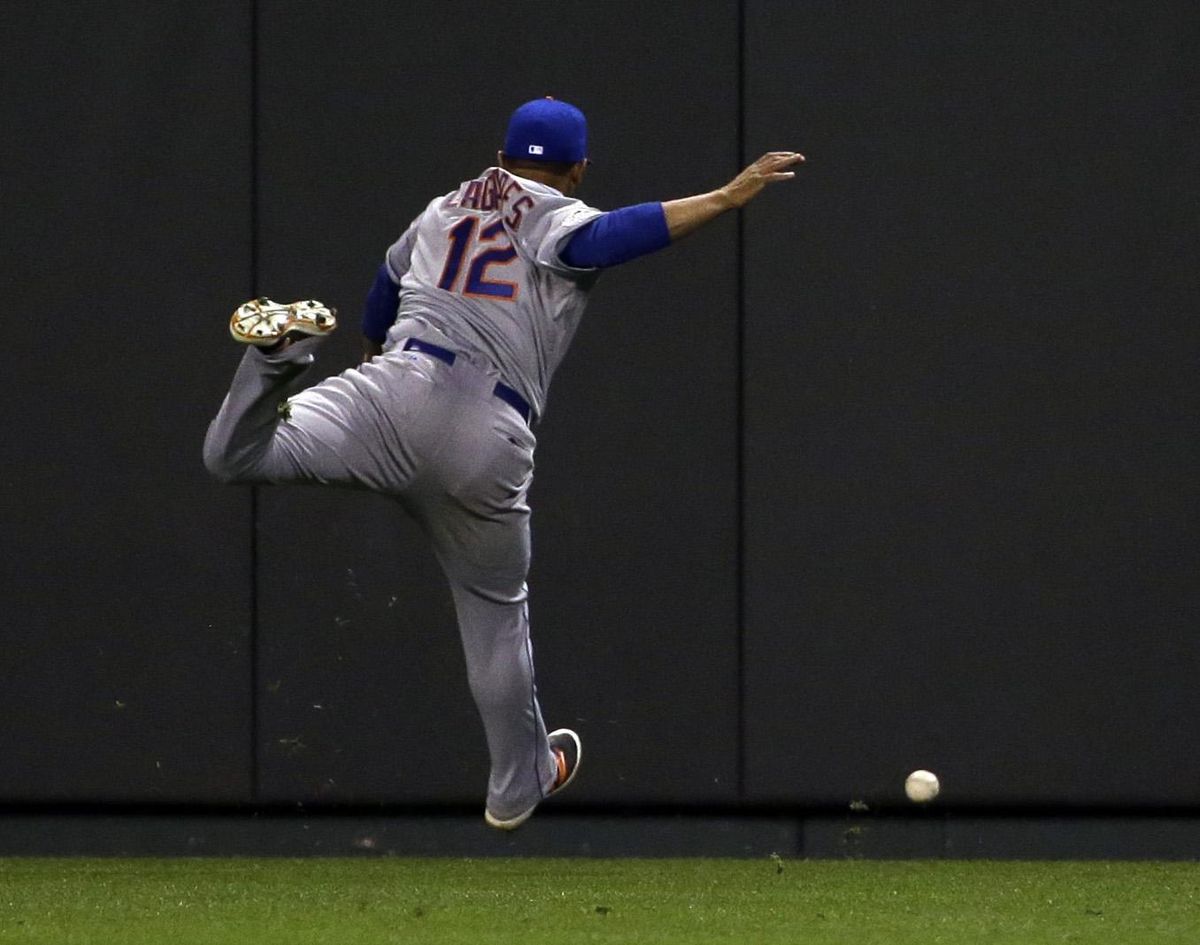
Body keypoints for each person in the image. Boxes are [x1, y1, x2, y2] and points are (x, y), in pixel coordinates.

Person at [204, 97, 803, 830]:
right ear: (577, 168)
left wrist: (368, 351)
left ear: (500, 153)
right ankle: (519, 783)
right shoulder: (559, 215)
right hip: (485, 432)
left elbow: (385, 286)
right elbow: (613, 236)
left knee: (236, 456)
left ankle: (276, 360)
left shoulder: (440, 210)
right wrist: (726, 194)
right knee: (493, 613)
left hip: (390, 391)